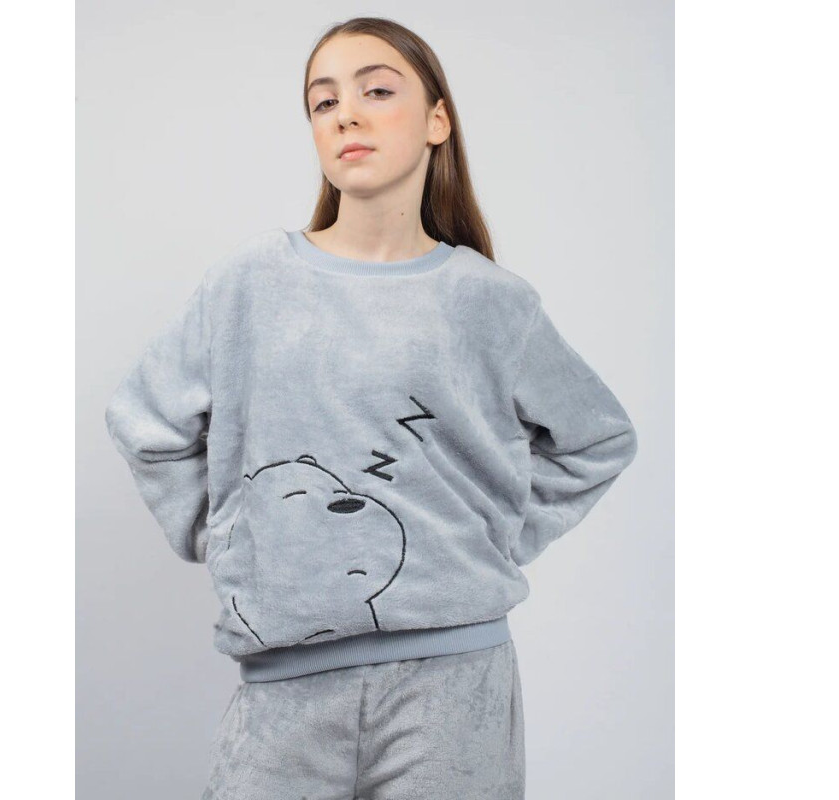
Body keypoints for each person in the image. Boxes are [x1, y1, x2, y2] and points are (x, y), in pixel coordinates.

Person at [104, 16, 639, 800]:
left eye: (376, 91)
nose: (346, 115)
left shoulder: (492, 303)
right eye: (323, 102)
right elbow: (144, 422)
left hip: (455, 690)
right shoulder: (247, 285)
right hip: (282, 696)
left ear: (436, 120)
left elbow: (598, 439)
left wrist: (490, 538)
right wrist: (232, 539)